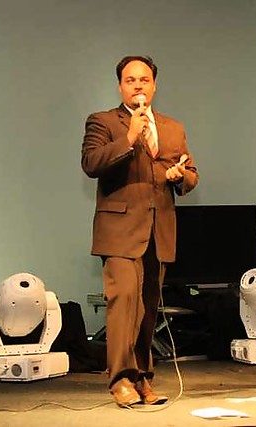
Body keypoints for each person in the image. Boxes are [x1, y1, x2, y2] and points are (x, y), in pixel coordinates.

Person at [81, 55, 199, 407]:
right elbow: (91, 163)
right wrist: (131, 137)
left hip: (158, 231)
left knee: (148, 309)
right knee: (124, 303)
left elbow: (191, 174)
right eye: (130, 80)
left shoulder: (172, 127)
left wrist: (179, 176)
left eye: (144, 80)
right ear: (120, 86)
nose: (138, 86)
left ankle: (143, 378)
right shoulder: (103, 122)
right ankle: (120, 379)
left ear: (154, 85)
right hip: (119, 230)